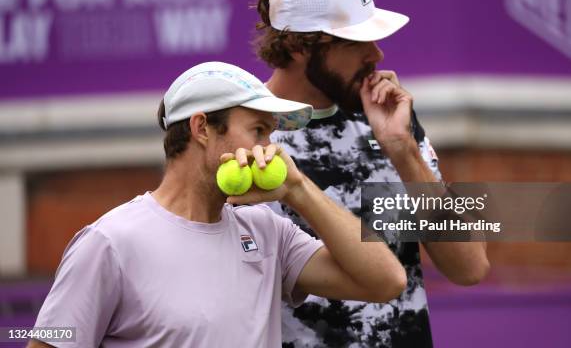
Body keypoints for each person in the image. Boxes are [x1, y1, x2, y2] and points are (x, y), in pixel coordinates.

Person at [28, 61, 407, 348]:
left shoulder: (267, 230)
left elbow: (387, 281)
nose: (271, 149)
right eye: (258, 131)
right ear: (202, 129)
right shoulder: (110, 241)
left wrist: (299, 190)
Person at [253, 0, 490, 347]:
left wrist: (403, 151)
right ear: (297, 46)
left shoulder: (392, 123)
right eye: (353, 42)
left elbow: (470, 267)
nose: (376, 54)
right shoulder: (246, 132)